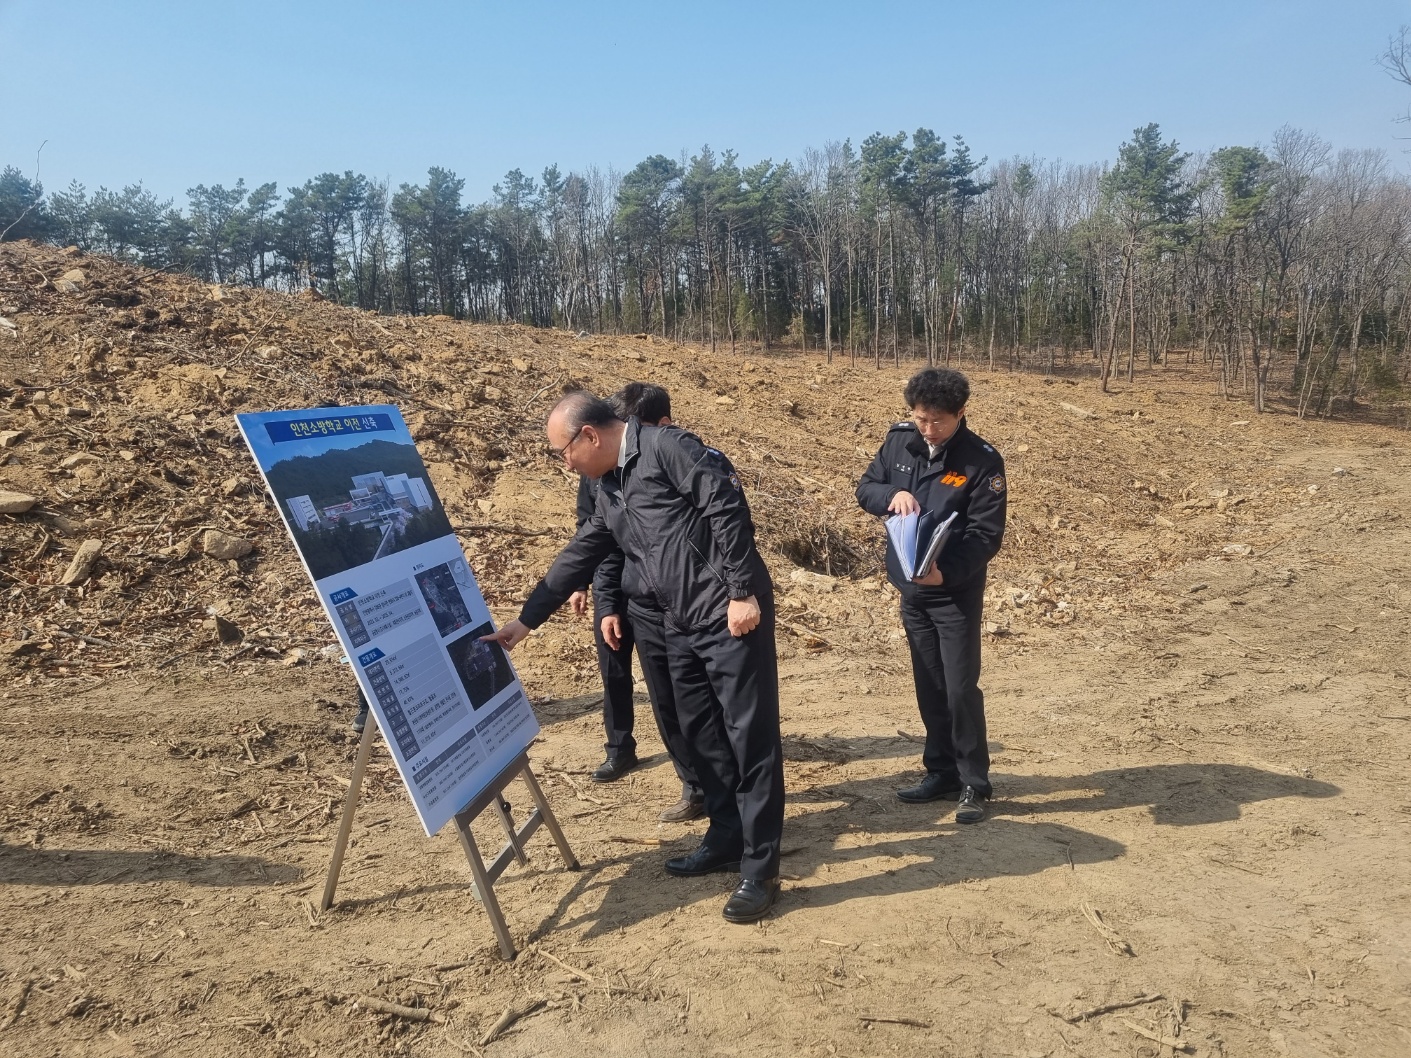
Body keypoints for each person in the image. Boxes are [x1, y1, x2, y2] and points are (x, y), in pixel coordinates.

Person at [482, 391, 784, 923]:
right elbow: (583, 550)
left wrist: (741, 591)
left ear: (590, 436)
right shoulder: (609, 486)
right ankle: (726, 835)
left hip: (729, 614)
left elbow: (727, 507)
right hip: (677, 621)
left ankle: (761, 868)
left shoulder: (668, 448)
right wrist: (526, 621)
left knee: (749, 734)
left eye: (562, 451)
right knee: (695, 730)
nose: (564, 462)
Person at [856, 368, 1007, 824]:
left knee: (960, 688)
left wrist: (947, 574)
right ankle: (939, 771)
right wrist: (892, 494)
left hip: (953, 593)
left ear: (961, 414)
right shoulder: (899, 442)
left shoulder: (981, 461)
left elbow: (986, 535)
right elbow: (865, 487)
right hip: (911, 588)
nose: (927, 428)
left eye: (937, 420)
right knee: (930, 684)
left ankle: (973, 783)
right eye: (919, 418)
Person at [571, 383, 706, 823]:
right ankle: (628, 750)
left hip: (681, 597)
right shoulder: (599, 469)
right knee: (631, 680)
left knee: (687, 696)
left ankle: (708, 783)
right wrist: (603, 600)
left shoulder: (677, 458)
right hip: (624, 587)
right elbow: (595, 540)